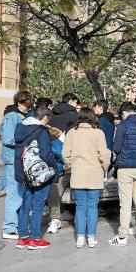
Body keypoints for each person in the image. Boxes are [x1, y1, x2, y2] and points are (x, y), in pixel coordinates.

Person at [62, 108, 111, 248]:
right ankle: (91, 237)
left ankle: (80, 237)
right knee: (92, 206)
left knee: (80, 207)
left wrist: (72, 164)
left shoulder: (72, 132)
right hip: (94, 174)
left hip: (78, 174)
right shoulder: (98, 133)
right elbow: (104, 155)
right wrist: (104, 167)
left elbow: (65, 154)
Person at [108, 102, 136, 246]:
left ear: (123, 113)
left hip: (126, 167)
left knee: (125, 203)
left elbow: (116, 148)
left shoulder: (123, 125)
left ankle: (122, 236)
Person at [14, 106, 58, 250]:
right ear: (45, 117)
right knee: (38, 205)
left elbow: (18, 153)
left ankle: (22, 237)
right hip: (39, 173)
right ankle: (35, 239)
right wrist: (53, 169)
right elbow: (46, 154)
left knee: (26, 204)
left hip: (26, 172)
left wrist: (21, 173)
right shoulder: (41, 131)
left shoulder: (20, 128)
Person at [0, 91, 34, 239]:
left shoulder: (17, 115)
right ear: (19, 102)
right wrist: (27, 141)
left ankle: (16, 225)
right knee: (14, 194)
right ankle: (9, 228)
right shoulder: (12, 116)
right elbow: (8, 138)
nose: (28, 108)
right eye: (27, 105)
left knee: (19, 193)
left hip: (17, 159)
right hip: (12, 159)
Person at [46, 93, 80, 234]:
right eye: (76, 102)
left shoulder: (51, 115)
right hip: (73, 162)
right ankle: (79, 217)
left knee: (54, 187)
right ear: (71, 101)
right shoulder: (74, 116)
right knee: (80, 186)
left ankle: (55, 219)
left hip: (56, 162)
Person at [0, 103, 29, 198]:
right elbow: (6, 137)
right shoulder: (14, 118)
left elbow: (4, 137)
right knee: (9, 172)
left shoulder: (14, 118)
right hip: (12, 154)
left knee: (10, 173)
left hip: (12, 154)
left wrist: (0, 133)